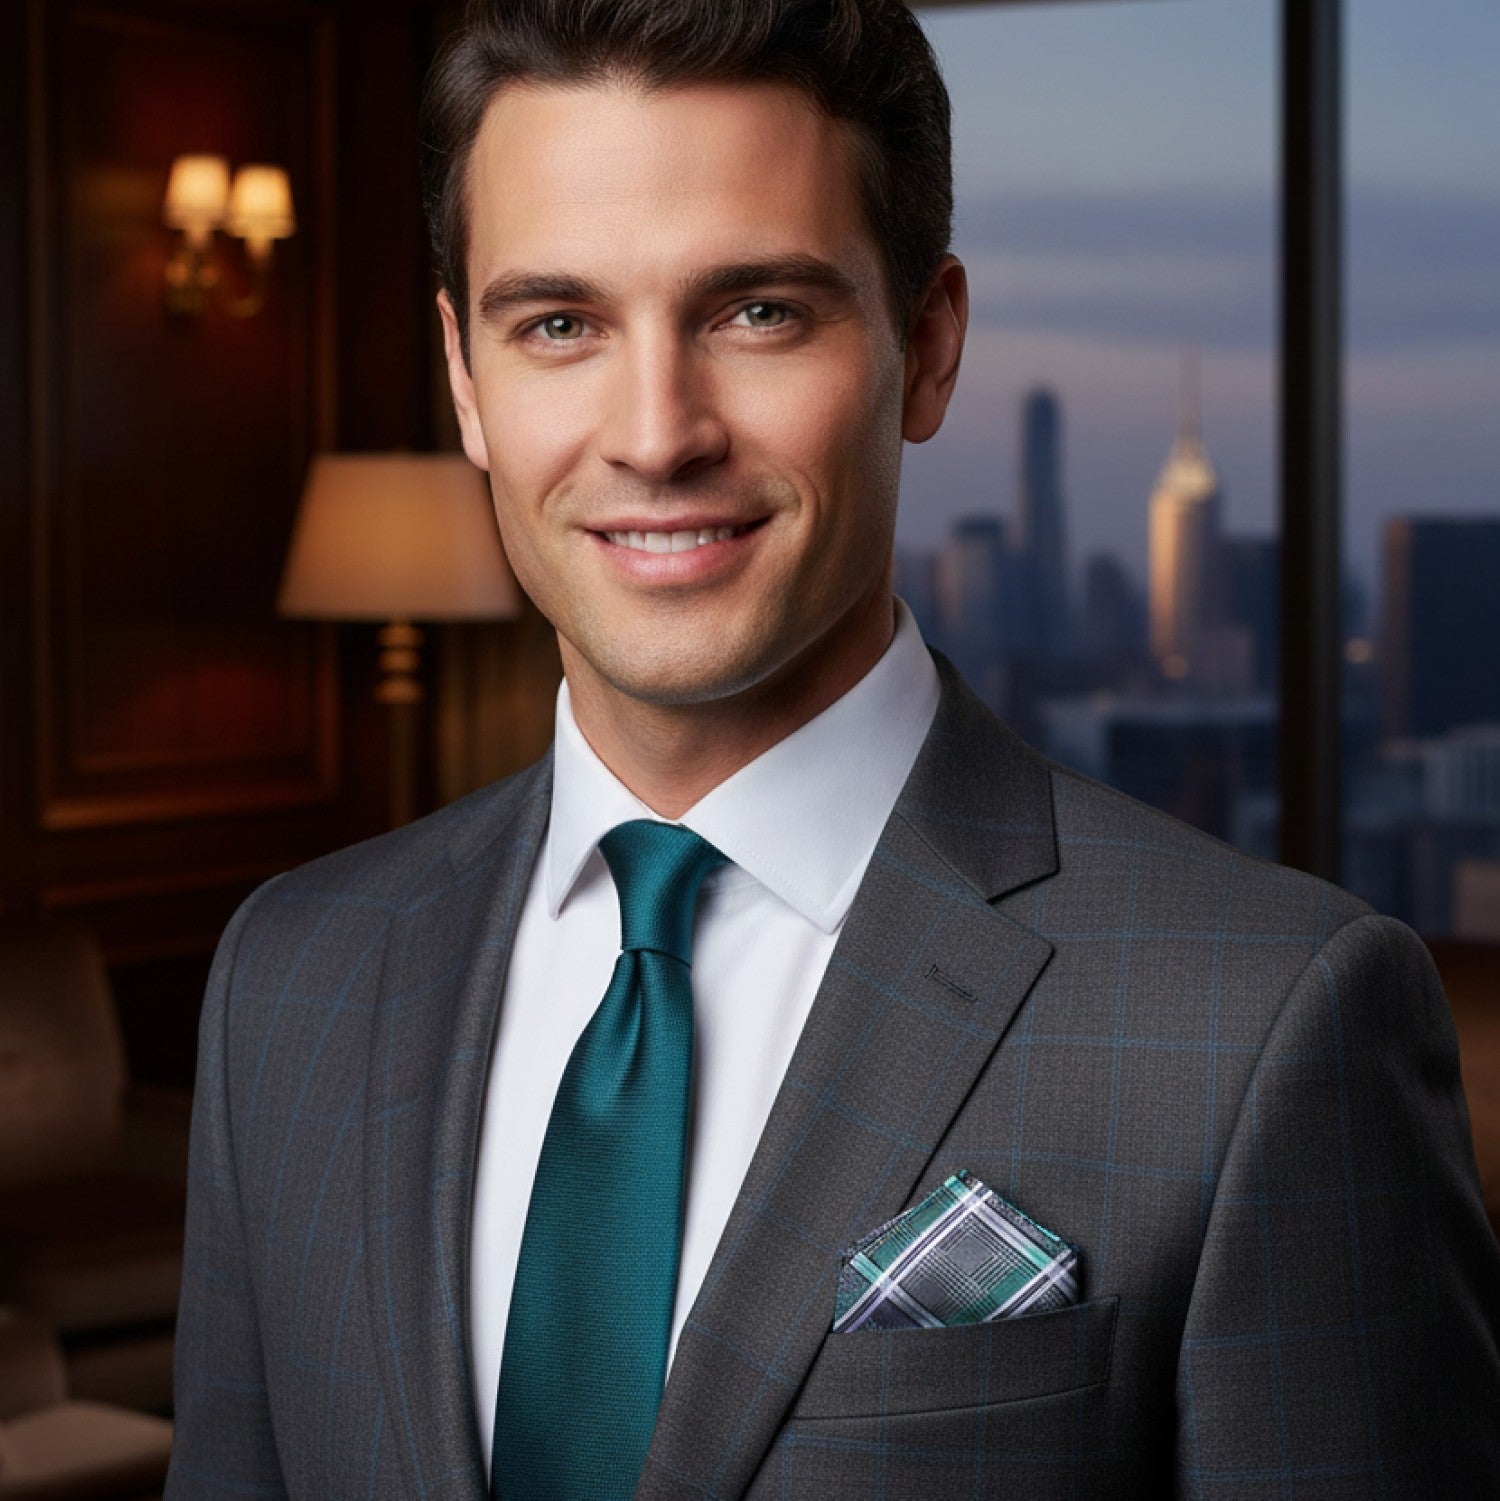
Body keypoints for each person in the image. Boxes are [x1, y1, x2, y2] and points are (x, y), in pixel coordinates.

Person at [165, 1, 1500, 1496]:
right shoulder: (290, 978)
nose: (656, 432)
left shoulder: (1266, 1025)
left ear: (927, 349)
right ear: (467, 381)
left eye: (757, 313)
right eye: (560, 324)